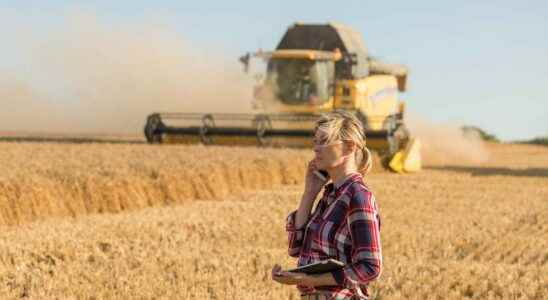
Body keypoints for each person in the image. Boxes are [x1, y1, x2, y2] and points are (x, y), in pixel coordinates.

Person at [272, 110, 382, 300]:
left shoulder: (358, 197)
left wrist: (310, 280)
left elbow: (370, 267)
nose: (316, 148)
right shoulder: (329, 197)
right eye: (315, 141)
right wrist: (309, 194)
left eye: (324, 141)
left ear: (349, 147)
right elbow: (295, 248)